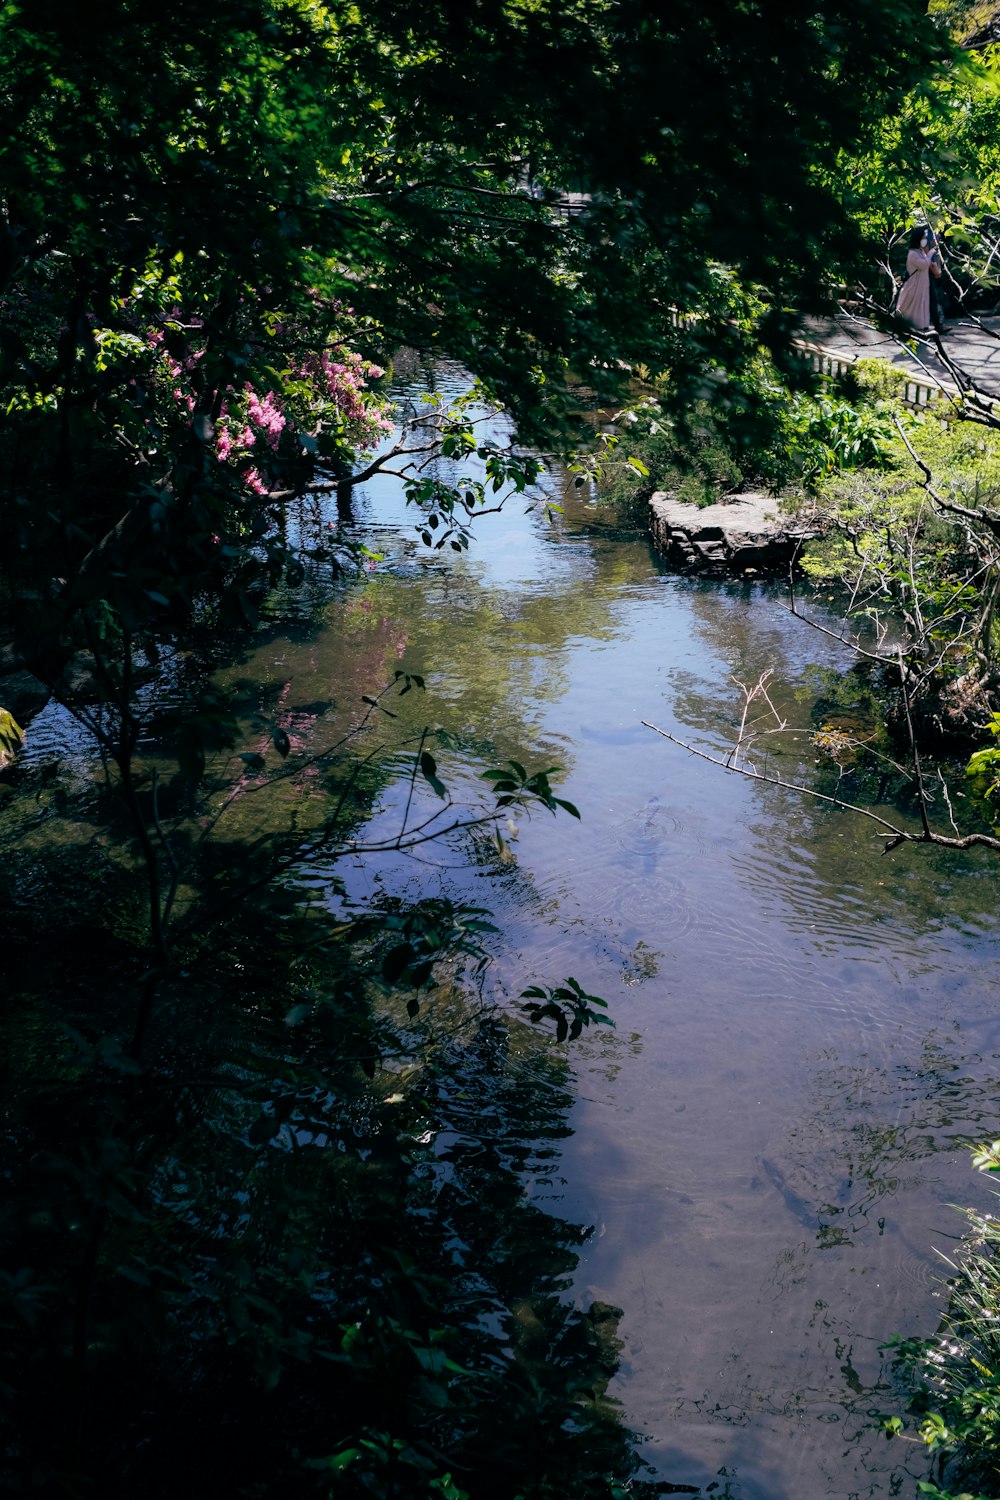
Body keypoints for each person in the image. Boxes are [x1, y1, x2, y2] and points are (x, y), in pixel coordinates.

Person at [895, 227, 940, 332]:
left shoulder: (919, 252)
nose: (924, 240)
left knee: (922, 303)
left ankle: (922, 324)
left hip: (922, 284)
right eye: (923, 238)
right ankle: (906, 324)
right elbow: (924, 264)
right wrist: (931, 252)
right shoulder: (912, 254)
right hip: (914, 284)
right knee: (912, 304)